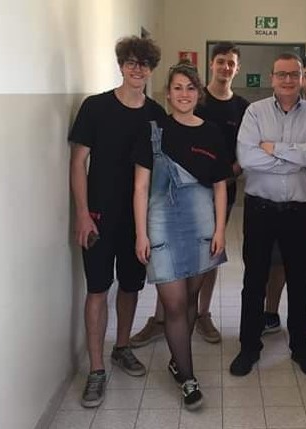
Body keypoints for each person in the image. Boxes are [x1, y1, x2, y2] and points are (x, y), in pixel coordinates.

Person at [130, 42, 249, 346]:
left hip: (213, 197)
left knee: (205, 262)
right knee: (172, 277)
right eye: (221, 61)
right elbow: (147, 178)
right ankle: (162, 320)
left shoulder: (240, 108)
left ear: (237, 68)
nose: (226, 67)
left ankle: (202, 316)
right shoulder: (187, 106)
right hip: (169, 204)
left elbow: (243, 150)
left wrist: (226, 174)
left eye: (231, 63)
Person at [69, 36, 163, 408]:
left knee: (130, 285)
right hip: (98, 217)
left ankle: (122, 347)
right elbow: (78, 163)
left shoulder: (156, 114)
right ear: (121, 65)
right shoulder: (95, 107)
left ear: (151, 69)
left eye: (144, 63)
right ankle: (96, 369)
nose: (137, 69)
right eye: (130, 62)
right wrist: (82, 213)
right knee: (96, 289)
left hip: (138, 220)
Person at [133, 62, 232, 410]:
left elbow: (220, 186)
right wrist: (140, 234)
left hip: (202, 225)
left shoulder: (212, 132)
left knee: (190, 299)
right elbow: (140, 187)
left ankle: (178, 361)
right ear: (168, 93)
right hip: (161, 224)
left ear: (198, 93)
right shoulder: (153, 131)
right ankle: (188, 379)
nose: (184, 94)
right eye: (177, 87)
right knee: (174, 303)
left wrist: (220, 229)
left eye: (190, 88)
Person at [230, 52, 306, 378]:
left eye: (293, 74)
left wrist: (274, 148)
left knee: (300, 283)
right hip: (260, 210)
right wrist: (301, 156)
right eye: (281, 74)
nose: (288, 80)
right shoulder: (255, 112)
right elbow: (247, 158)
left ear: (301, 78)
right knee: (254, 281)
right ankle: (249, 348)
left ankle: (301, 348)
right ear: (272, 78)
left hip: (299, 212)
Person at [262, 52, 306, 337]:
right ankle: (270, 312)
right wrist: (305, 152)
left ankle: (305, 315)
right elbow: (258, 153)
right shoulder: (276, 109)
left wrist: (281, 150)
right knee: (276, 259)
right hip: (288, 195)